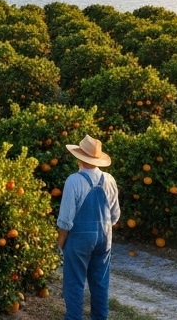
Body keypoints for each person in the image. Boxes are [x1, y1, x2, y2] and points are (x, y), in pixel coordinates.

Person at [56, 135, 120, 320]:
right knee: (100, 283)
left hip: (80, 239)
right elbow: (115, 216)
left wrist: (60, 244)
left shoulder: (74, 181)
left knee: (74, 283)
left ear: (79, 158)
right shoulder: (109, 179)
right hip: (105, 238)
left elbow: (65, 221)